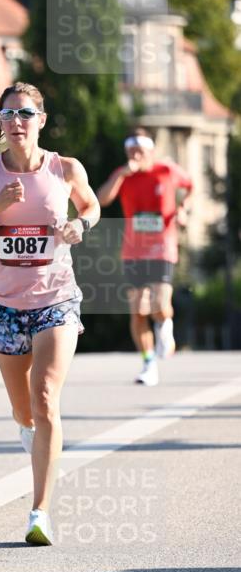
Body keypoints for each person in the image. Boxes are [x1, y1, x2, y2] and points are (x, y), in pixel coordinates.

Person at [0, 81, 100, 546]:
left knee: (46, 397)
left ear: (41, 121)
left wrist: (78, 225)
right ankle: (29, 432)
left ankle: (40, 512)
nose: (16, 122)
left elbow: (90, 205)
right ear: (1, 122)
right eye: (9, 115)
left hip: (56, 298)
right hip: (5, 305)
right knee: (23, 409)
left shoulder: (64, 168)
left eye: (26, 114)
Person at [97, 128, 193, 386]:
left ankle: (164, 326)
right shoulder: (123, 175)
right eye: (131, 150)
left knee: (160, 304)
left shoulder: (167, 170)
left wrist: (183, 208)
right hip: (133, 250)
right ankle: (148, 363)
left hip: (162, 246)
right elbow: (102, 200)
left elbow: (190, 186)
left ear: (151, 150)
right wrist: (120, 174)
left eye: (140, 150)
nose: (136, 155)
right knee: (138, 311)